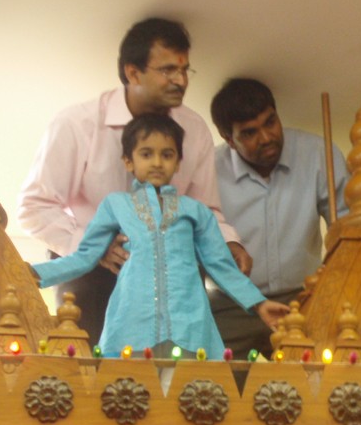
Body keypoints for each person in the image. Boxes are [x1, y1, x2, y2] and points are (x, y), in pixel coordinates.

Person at [17, 18, 251, 347]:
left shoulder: (195, 129)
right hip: (92, 274)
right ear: (132, 73)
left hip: (173, 272)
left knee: (181, 371)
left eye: (185, 70)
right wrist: (93, 247)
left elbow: (205, 209)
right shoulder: (77, 124)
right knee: (94, 372)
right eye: (168, 70)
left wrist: (229, 243)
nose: (181, 80)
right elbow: (34, 207)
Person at [29, 114, 287, 359]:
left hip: (189, 325)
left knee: (189, 390)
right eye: (146, 154)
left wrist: (258, 304)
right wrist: (35, 274)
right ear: (128, 161)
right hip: (132, 324)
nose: (156, 162)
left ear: (178, 162)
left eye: (167, 155)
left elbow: (220, 265)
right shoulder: (116, 205)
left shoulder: (195, 211)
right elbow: (86, 255)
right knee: (130, 389)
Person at [209, 78, 349, 358]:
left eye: (270, 122)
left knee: (320, 379)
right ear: (229, 139)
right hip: (230, 303)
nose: (266, 138)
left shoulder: (319, 154)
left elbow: (347, 227)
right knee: (213, 381)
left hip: (303, 299)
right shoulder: (208, 170)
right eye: (249, 133)